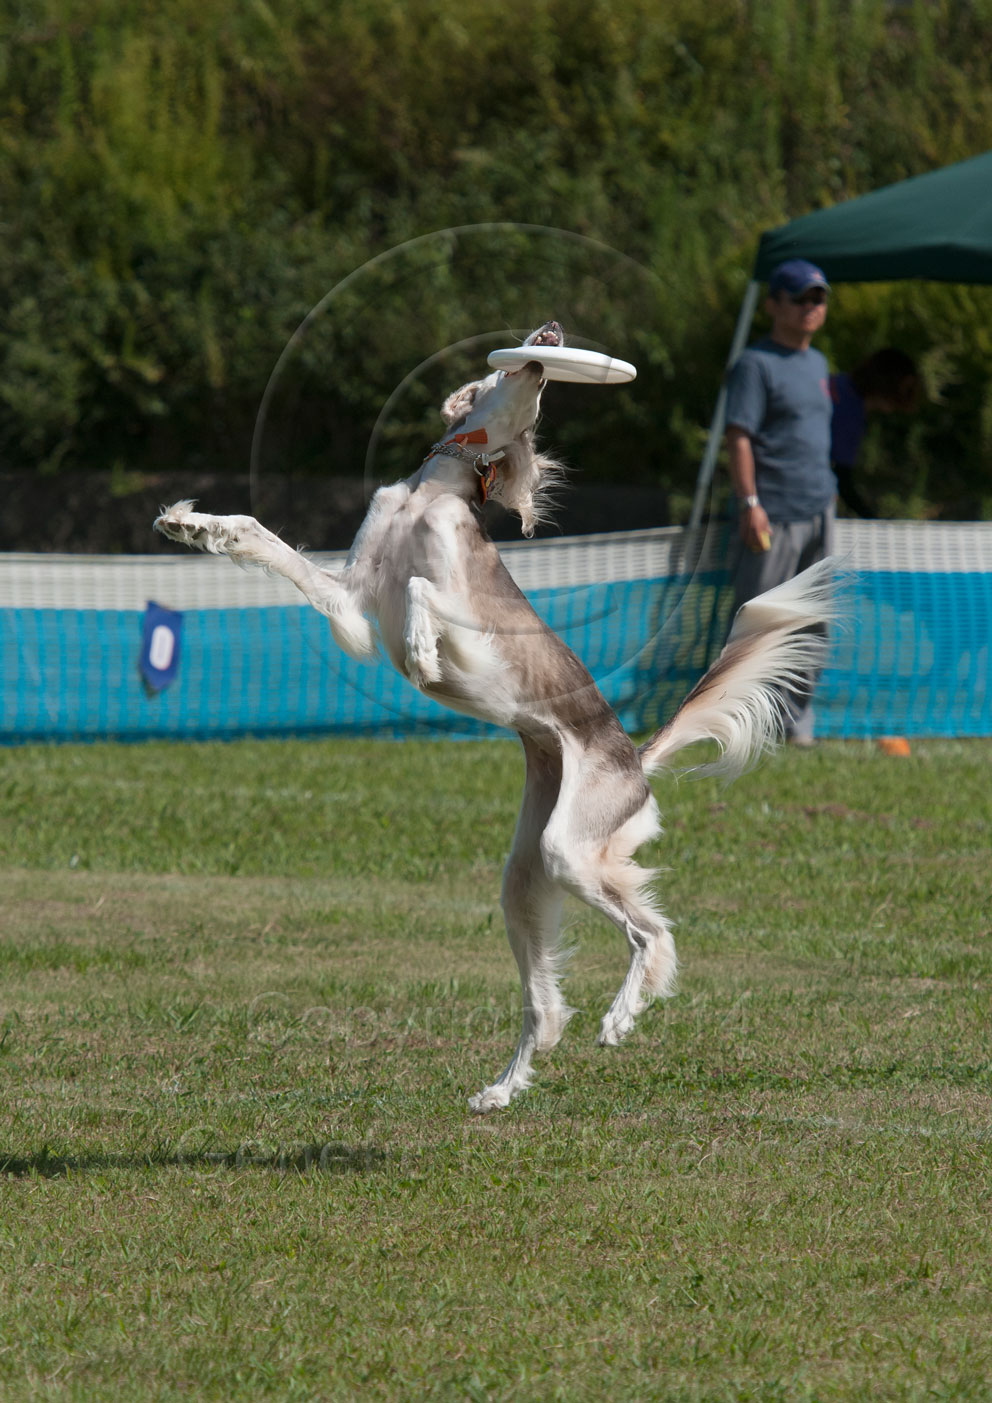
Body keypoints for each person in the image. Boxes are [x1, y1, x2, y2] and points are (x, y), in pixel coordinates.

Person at [723, 257, 835, 745]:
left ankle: (796, 726)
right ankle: (735, 722)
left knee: (811, 624)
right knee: (759, 623)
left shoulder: (819, 363)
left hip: (819, 508)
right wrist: (750, 502)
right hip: (773, 512)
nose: (811, 307)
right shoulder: (754, 364)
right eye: (800, 298)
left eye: (818, 298)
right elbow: (739, 436)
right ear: (774, 305)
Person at [830, 348, 920, 518]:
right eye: (906, 389)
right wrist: (871, 519)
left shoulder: (837, 382)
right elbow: (841, 478)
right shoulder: (850, 413)